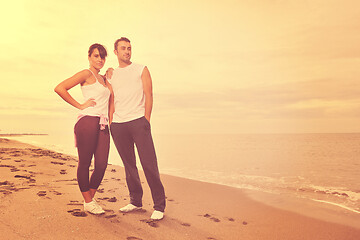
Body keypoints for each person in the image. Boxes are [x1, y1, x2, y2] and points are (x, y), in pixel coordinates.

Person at [107, 37, 166, 220]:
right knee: (129, 165)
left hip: (138, 121)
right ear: (115, 52)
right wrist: (111, 122)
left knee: (149, 163)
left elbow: (149, 95)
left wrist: (146, 119)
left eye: (129, 48)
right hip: (118, 124)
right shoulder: (111, 74)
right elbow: (111, 99)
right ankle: (135, 201)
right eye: (123, 48)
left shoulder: (141, 69)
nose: (127, 51)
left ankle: (159, 206)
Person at [54, 43, 113, 215]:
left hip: (103, 123)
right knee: (85, 163)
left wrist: (110, 73)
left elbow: (111, 98)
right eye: (96, 56)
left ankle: (89, 200)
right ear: (89, 57)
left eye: (102, 56)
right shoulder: (86, 74)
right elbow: (60, 88)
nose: (100, 59)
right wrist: (80, 105)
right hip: (87, 121)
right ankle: (88, 200)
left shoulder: (104, 79)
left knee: (101, 164)